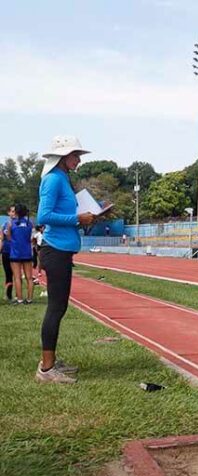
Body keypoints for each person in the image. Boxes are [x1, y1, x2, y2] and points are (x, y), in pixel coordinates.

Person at [36, 135, 97, 384]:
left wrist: (88, 218)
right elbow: (44, 215)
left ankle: (49, 362)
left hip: (61, 250)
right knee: (56, 308)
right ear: (63, 155)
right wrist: (76, 219)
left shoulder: (62, 178)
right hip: (55, 251)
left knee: (58, 307)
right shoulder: (53, 180)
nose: (79, 160)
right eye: (76, 155)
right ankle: (47, 369)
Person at [6, 204, 35, 305]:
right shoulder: (30, 223)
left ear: (16, 212)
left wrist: (15, 241)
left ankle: (19, 299)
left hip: (15, 253)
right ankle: (30, 299)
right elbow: (32, 238)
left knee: (17, 277)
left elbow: (8, 237)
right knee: (29, 277)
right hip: (27, 253)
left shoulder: (11, 224)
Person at [1, 205, 14, 302]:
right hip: (6, 251)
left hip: (16, 253)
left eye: (15, 211)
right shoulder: (5, 224)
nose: (13, 213)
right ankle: (8, 295)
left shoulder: (19, 224)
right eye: (12, 211)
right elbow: (2, 238)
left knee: (16, 274)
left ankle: (18, 296)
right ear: (8, 213)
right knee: (8, 274)